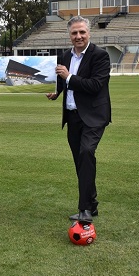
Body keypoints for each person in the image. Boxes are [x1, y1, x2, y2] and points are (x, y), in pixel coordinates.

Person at [46, 15, 111, 223]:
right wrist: (56, 92)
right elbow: (61, 81)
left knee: (86, 153)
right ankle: (92, 204)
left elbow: (94, 86)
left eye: (82, 32)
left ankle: (84, 209)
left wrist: (69, 78)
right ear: (69, 35)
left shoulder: (100, 56)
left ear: (89, 33)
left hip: (94, 117)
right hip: (72, 117)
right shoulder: (65, 56)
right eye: (74, 33)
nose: (78, 36)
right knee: (80, 162)